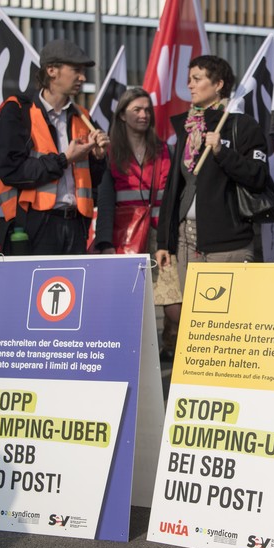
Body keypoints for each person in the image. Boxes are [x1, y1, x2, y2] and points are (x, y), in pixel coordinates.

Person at [155, 55, 269, 290]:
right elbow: (174, 187)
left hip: (228, 240)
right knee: (194, 317)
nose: (190, 85)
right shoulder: (187, 128)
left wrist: (221, 152)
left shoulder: (242, 125)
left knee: (227, 320)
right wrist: (164, 242)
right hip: (186, 239)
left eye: (197, 79)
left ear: (218, 85)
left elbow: (257, 176)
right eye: (189, 79)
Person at [0, 39, 109, 255]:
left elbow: (93, 182)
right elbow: (11, 171)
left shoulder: (83, 116)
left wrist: (99, 158)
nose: (83, 77)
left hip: (76, 225)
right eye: (76, 70)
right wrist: (64, 159)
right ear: (52, 70)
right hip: (33, 225)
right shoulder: (17, 110)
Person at [95, 87, 180, 359]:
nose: (144, 115)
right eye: (136, 110)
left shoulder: (164, 149)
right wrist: (105, 242)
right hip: (124, 237)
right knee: (127, 306)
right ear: (122, 115)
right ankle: (129, 357)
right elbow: (105, 200)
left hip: (161, 236)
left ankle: (170, 344)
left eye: (147, 110)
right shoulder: (108, 152)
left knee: (173, 305)